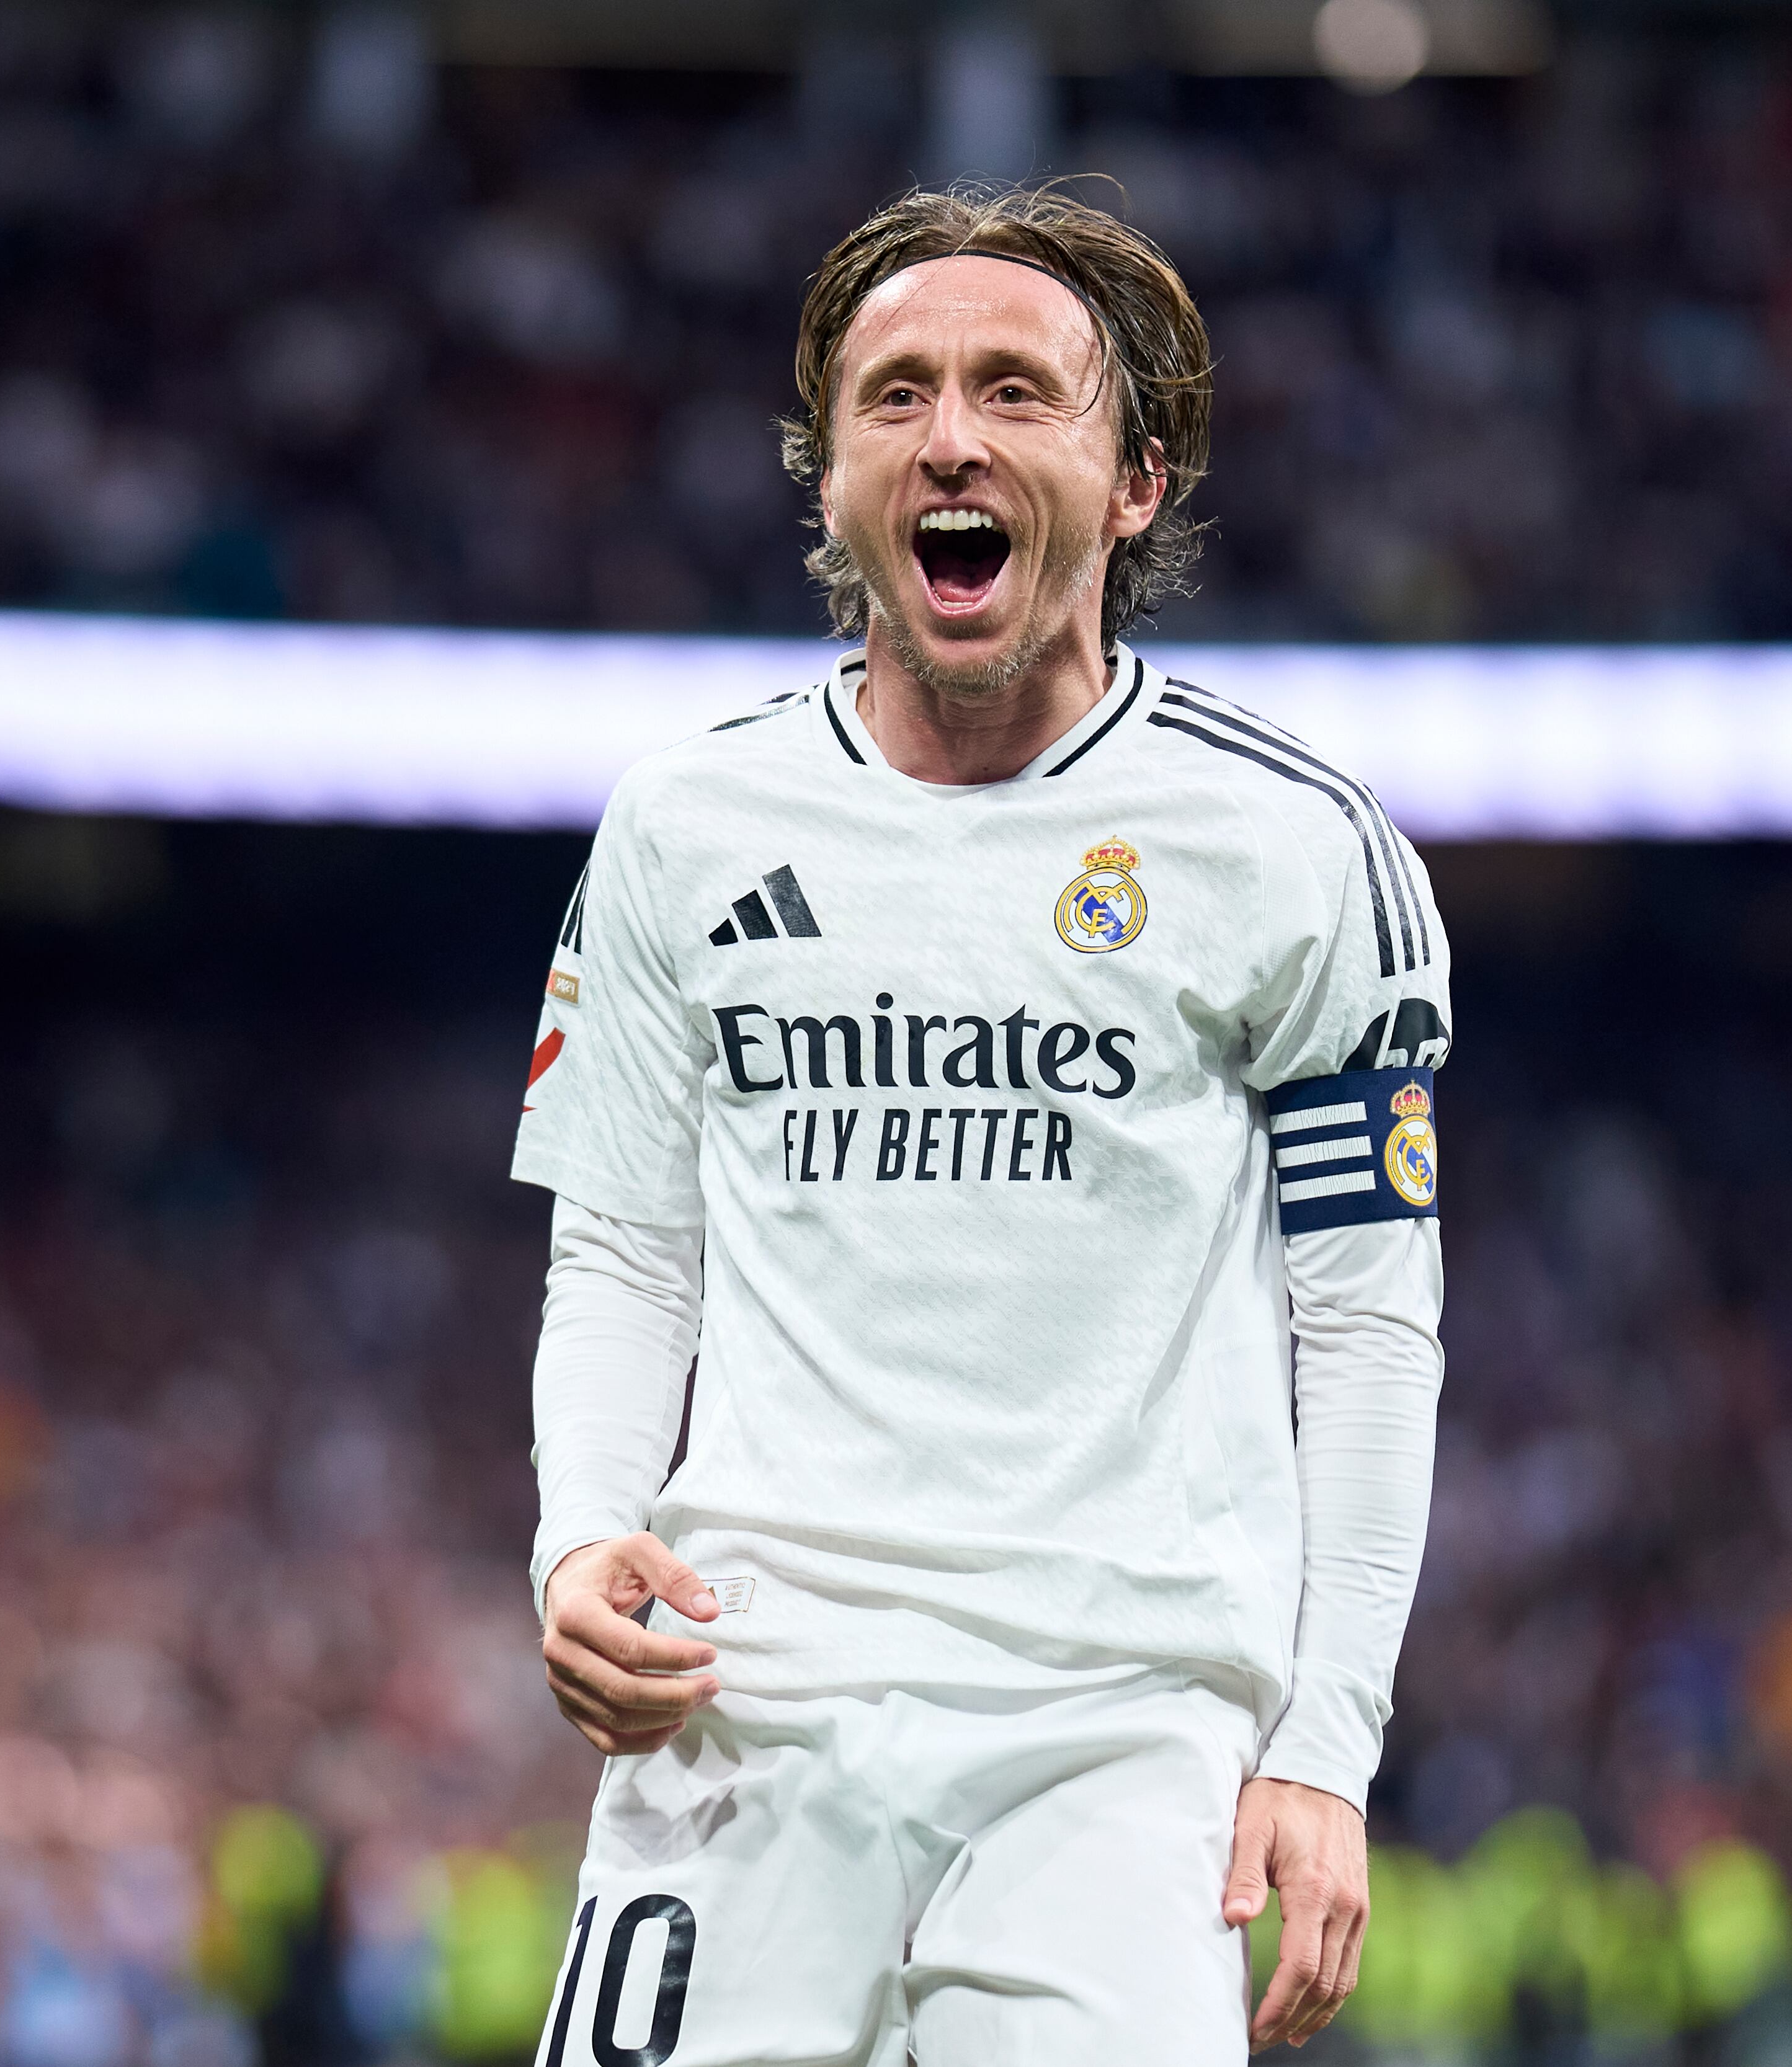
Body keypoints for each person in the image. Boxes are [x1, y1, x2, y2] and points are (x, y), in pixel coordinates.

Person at [512, 183, 1451, 2065]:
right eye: (898, 395)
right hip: (741, 1686)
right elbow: (621, 1247)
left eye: (1018, 391)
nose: (951, 436)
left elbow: (1364, 1322)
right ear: (833, 478)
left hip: (1122, 1734)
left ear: (1137, 483)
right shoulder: (686, 825)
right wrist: (579, 1536)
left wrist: (1327, 1742)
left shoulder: (1292, 847)